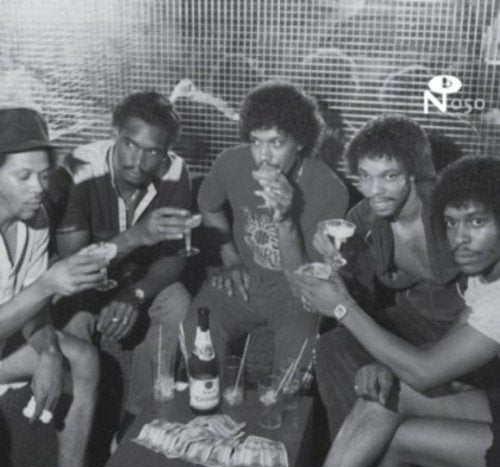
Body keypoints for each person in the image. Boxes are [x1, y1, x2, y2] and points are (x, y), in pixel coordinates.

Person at [297, 156, 500, 467]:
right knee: (383, 398)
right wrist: (389, 367)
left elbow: (424, 373)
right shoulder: (485, 275)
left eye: (477, 221)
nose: (460, 238)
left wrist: (343, 307)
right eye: (451, 223)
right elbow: (442, 353)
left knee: (391, 437)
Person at [312, 114, 469, 440]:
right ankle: (356, 455)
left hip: (469, 330)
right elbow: (353, 290)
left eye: (389, 176)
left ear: (413, 172)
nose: (374, 190)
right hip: (414, 320)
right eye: (365, 176)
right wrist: (332, 257)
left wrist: (392, 363)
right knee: (332, 346)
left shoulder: (452, 212)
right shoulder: (363, 218)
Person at [182, 82, 349, 375]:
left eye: (276, 143)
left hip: (293, 289)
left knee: (295, 364)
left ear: (300, 142)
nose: (264, 156)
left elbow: (301, 284)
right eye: (256, 141)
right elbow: (208, 205)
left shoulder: (330, 190)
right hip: (244, 279)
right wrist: (231, 259)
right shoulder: (231, 162)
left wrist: (284, 218)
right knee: (195, 332)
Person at [52, 91, 192, 420]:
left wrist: (135, 293)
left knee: (178, 301)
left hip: (134, 279)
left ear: (166, 152)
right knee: (74, 325)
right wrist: (136, 236)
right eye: (130, 144)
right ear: (115, 132)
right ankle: (73, 428)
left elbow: (175, 258)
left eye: (152, 152)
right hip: (81, 287)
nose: (137, 162)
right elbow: (73, 267)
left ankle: (137, 421)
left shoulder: (176, 172)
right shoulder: (79, 168)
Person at [0, 107, 107, 467]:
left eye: (44, 176)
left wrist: (47, 352)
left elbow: (32, 304)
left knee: (83, 357)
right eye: (24, 176)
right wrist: (47, 285)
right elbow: (39, 291)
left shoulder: (38, 219)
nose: (38, 188)